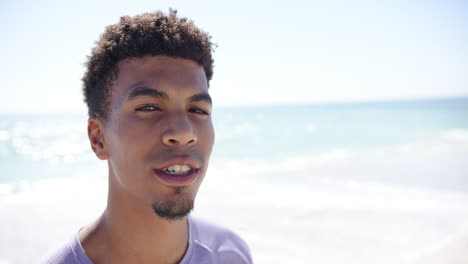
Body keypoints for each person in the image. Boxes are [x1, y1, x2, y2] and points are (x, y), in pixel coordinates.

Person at [41, 9, 253, 264]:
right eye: (149, 108)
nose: (184, 132)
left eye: (198, 110)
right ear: (99, 139)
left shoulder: (229, 254)